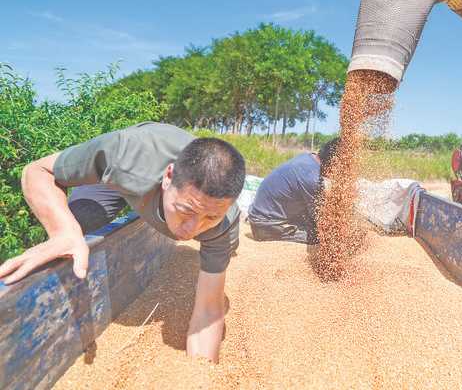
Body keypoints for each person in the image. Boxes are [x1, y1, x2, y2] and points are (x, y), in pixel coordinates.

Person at [0, 122, 245, 363]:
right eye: (185, 211)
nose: (193, 230)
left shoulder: (224, 226)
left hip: (152, 187)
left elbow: (208, 312)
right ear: (168, 177)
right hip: (126, 177)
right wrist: (63, 230)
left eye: (210, 217)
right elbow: (37, 171)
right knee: (75, 224)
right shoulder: (125, 156)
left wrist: (198, 377)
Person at [248, 138, 339, 244]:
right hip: (265, 226)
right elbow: (323, 220)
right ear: (336, 162)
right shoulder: (312, 178)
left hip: (261, 216)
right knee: (323, 237)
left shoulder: (308, 158)